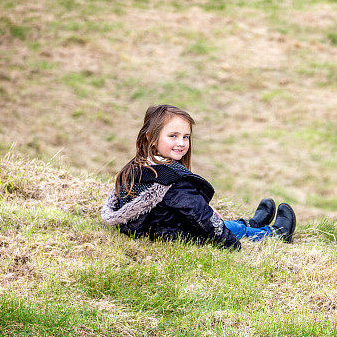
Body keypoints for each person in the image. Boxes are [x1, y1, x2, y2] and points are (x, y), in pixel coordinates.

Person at [100, 104, 296, 250]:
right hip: (176, 233)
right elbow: (200, 216)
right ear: (150, 138)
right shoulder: (172, 180)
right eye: (173, 136)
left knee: (224, 223)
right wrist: (229, 242)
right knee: (229, 230)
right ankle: (273, 234)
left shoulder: (140, 165)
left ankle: (252, 222)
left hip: (158, 226)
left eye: (186, 137)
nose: (181, 143)